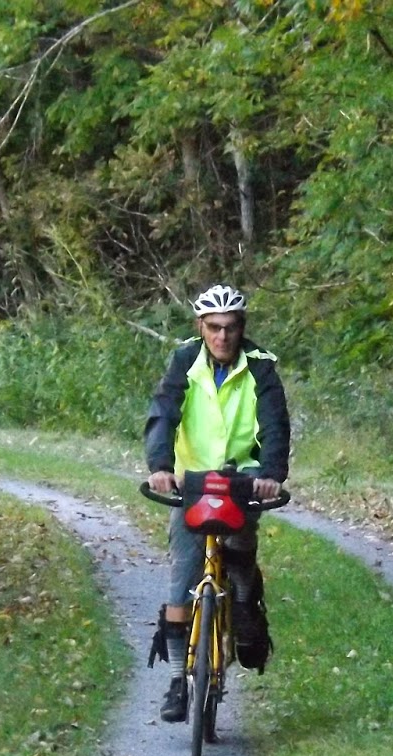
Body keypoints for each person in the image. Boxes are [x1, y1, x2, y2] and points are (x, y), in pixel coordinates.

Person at [144, 284, 291, 722]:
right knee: (182, 577)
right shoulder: (184, 361)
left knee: (241, 553)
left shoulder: (261, 368)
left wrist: (270, 475)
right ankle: (177, 680)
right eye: (214, 328)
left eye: (230, 328)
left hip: (241, 478)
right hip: (191, 480)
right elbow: (164, 413)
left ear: (241, 328)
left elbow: (275, 424)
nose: (223, 337)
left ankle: (245, 606)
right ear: (200, 328)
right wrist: (160, 465)